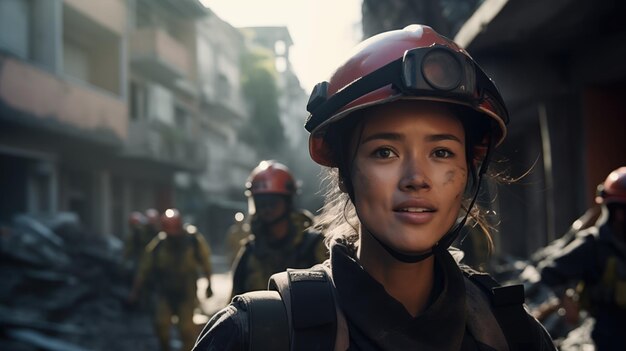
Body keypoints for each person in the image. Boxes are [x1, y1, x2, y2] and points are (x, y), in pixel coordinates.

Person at [193, 24, 554, 350]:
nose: (417, 177)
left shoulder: (517, 335)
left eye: (441, 152)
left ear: (467, 172)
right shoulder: (252, 335)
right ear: (345, 172)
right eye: (385, 152)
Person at [539, 167, 626, 350]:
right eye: (619, 209)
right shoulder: (592, 245)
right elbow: (549, 271)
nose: (621, 215)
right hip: (608, 337)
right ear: (613, 211)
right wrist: (565, 299)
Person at [229, 160, 327, 296]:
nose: (267, 209)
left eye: (272, 202)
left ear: (288, 202)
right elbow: (235, 303)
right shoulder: (251, 253)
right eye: (261, 203)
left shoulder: (313, 246)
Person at [129, 208, 213, 351]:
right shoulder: (159, 244)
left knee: (186, 329)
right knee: (161, 324)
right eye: (168, 228)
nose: (171, 231)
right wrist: (135, 291)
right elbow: (144, 267)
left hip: (186, 291)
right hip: (165, 291)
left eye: (174, 227)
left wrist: (209, 284)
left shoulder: (192, 240)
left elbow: (205, 261)